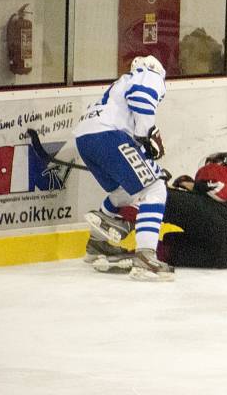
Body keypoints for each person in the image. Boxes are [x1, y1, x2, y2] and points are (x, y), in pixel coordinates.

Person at [74, 55, 173, 281]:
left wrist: (144, 149)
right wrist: (145, 135)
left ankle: (97, 245)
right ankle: (146, 258)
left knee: (124, 191)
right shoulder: (149, 75)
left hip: (85, 137)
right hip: (107, 135)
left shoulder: (120, 84)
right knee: (154, 188)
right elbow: (142, 98)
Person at [86, 152, 227, 272]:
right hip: (226, 257)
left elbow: (217, 189)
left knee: (156, 194)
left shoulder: (224, 174)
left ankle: (124, 223)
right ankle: (139, 257)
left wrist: (191, 185)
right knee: (171, 249)